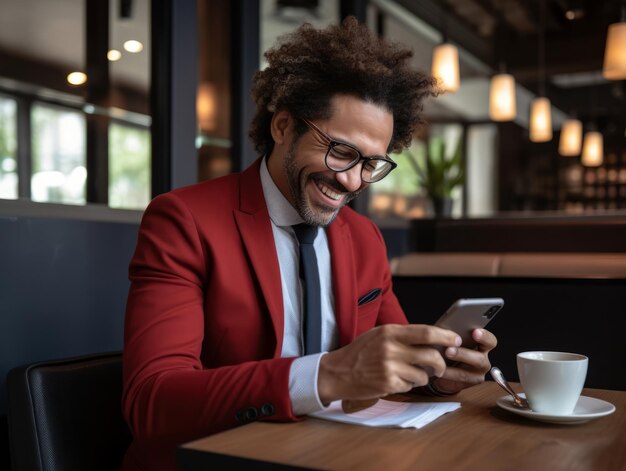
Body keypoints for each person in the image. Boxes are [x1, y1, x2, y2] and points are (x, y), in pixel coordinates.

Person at [121, 16, 497, 471]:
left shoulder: (364, 238)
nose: (353, 180)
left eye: (372, 164)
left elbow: (392, 365)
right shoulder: (184, 221)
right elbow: (152, 402)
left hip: (336, 455)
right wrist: (331, 374)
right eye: (341, 151)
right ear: (282, 126)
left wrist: (439, 376)